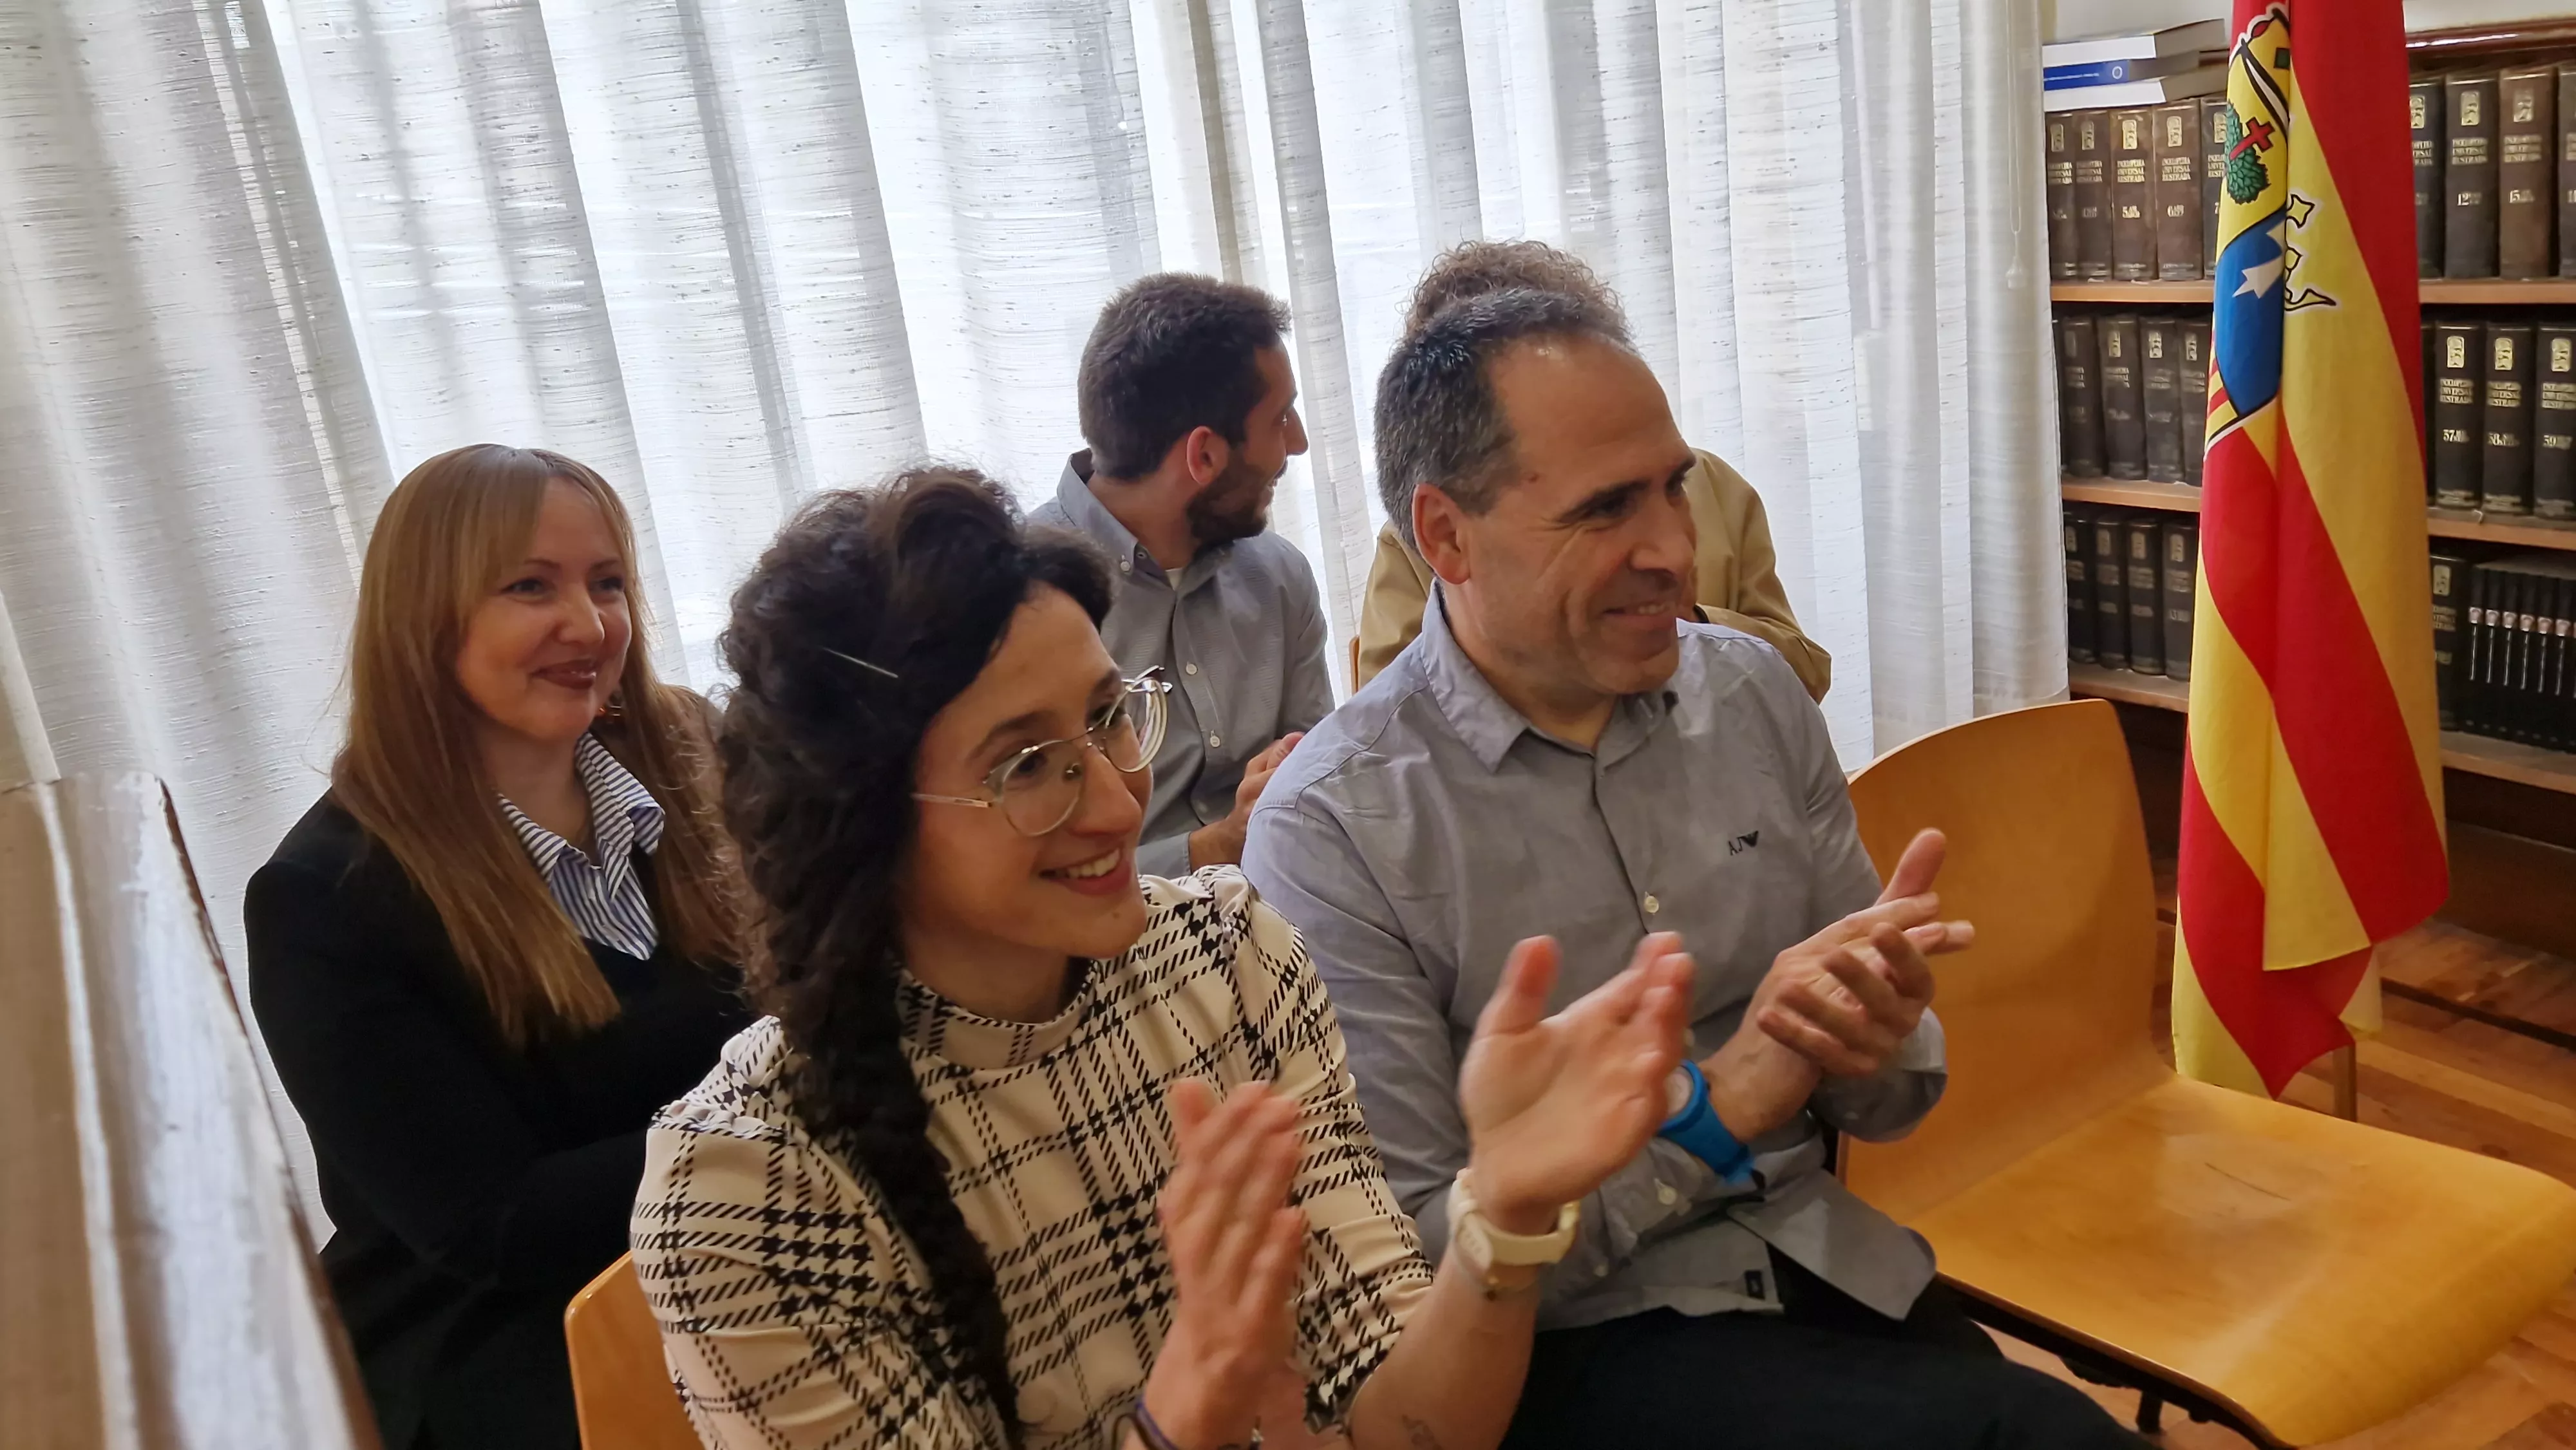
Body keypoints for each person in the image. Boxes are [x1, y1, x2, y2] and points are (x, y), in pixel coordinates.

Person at [1241, 292, 2147, 1448]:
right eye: (1606, 507)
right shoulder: (1336, 829)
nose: (1675, 549)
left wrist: (1873, 1038)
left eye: (1675, 484)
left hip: (1820, 1257)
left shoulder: (1752, 694)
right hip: (1570, 1352)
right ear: (1446, 535)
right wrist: (1724, 1113)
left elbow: (1891, 1097)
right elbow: (1421, 1274)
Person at [633, 467, 1697, 1450]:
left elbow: (1403, 1423)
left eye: (1110, 718)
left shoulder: (1228, 953)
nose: (1113, 799)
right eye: (1028, 766)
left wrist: (1500, 1218)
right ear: (859, 819)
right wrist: (1192, 1398)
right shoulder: (746, 1181)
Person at [245, 445, 751, 1450]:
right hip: (504, 1338)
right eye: (531, 587)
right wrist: (787, 1120)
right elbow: (495, 1227)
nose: (591, 624)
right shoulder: (323, 899)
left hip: (735, 1247)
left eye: (608, 583)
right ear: (424, 619)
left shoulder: (688, 751)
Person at [1353, 240, 1829, 701]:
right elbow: (1391, 721)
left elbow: (1805, 677)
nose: (1673, 553)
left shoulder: (1715, 488)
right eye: (1606, 508)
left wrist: (1692, 627)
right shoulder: (1413, 542)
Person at [1031, 273, 1332, 873]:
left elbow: (1328, 787)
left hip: (1286, 914)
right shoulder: (1018, 605)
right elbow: (1026, 868)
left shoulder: (1280, 577)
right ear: (1203, 456)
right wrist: (1212, 849)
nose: (1297, 444)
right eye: (1281, 419)